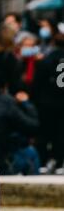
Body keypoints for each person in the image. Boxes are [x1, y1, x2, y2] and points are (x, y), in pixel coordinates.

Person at [32, 33, 64, 171]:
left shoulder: (46, 60)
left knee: (45, 133)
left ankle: (44, 161)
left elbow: (37, 84)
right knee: (61, 132)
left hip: (47, 103)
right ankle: (59, 160)